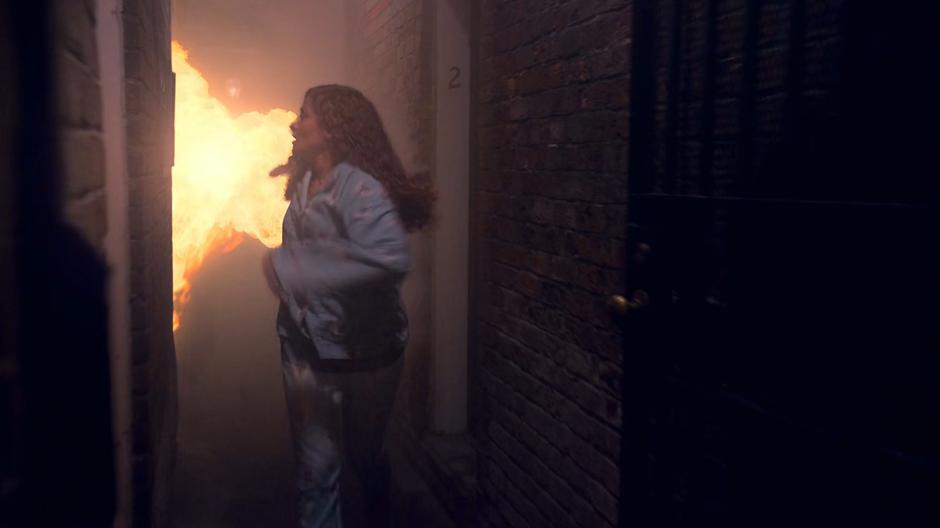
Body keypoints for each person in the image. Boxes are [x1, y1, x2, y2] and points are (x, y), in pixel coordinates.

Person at [262, 84, 434, 528]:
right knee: (316, 472)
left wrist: (291, 268)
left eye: (305, 115)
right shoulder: (305, 185)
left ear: (333, 129)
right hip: (305, 352)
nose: (294, 124)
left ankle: (378, 499)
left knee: (363, 455)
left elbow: (388, 258)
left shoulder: (361, 190)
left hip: (366, 354)